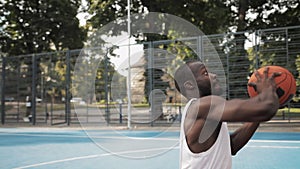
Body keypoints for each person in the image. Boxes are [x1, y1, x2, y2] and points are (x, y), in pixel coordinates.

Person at [174, 60, 281, 169]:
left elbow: (231, 146)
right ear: (190, 85)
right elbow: (266, 108)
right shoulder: (203, 106)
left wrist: (257, 114)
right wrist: (268, 89)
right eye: (205, 73)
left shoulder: (206, 111)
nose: (214, 75)